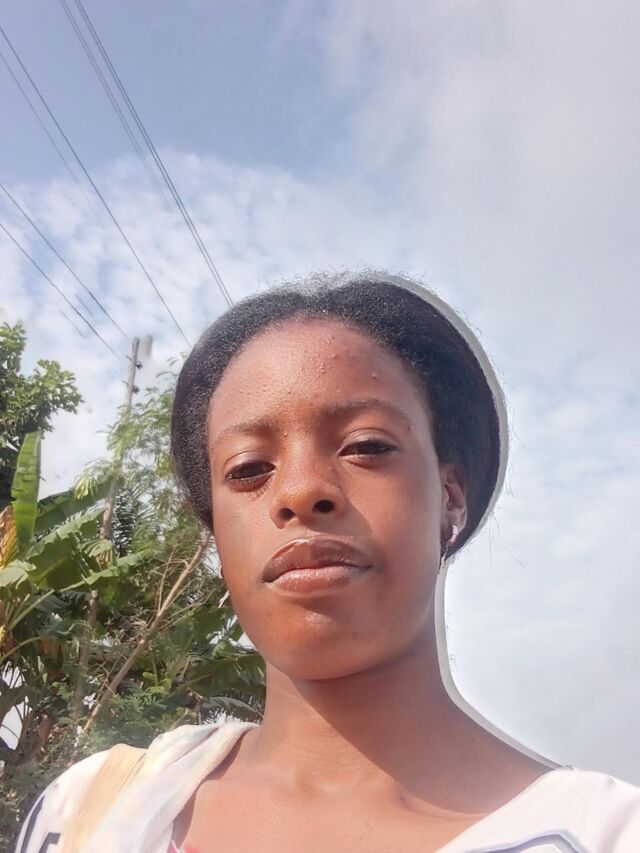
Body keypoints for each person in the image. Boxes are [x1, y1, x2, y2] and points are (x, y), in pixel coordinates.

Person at [16, 272, 640, 852]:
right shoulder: (85, 815)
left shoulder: (602, 834)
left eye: (366, 446)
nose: (299, 491)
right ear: (217, 537)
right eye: (248, 469)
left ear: (450, 497)